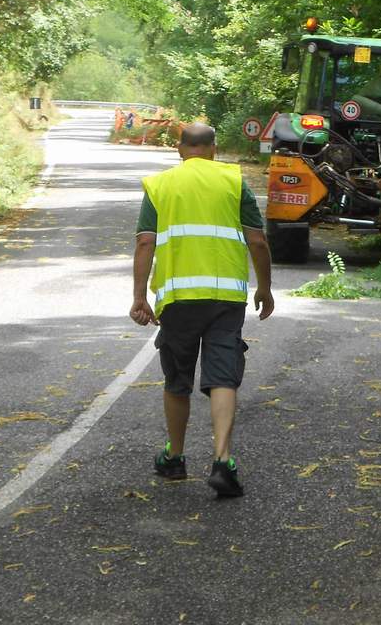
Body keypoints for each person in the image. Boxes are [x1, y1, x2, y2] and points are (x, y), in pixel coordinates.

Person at [129, 122, 274, 498]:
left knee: (177, 378)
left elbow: (146, 243)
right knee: (223, 374)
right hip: (226, 298)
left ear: (180, 150)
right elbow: (257, 241)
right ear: (213, 149)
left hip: (177, 298)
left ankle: (175, 457)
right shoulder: (233, 180)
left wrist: (139, 296)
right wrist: (266, 288)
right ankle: (222, 458)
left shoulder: (161, 186)